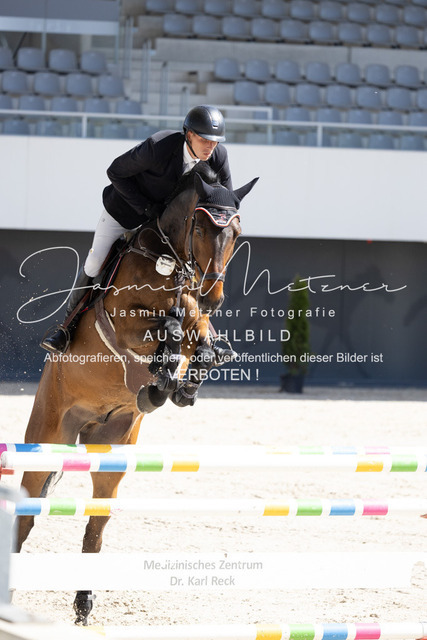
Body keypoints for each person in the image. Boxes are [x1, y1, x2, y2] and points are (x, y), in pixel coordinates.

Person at [41, 105, 232, 353]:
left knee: (197, 265)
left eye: (215, 141)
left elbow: (225, 200)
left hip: (168, 227)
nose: (210, 147)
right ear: (189, 134)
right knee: (95, 262)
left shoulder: (218, 156)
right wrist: (145, 208)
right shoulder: (158, 147)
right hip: (126, 212)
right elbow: (115, 172)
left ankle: (208, 339)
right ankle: (67, 326)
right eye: (205, 140)